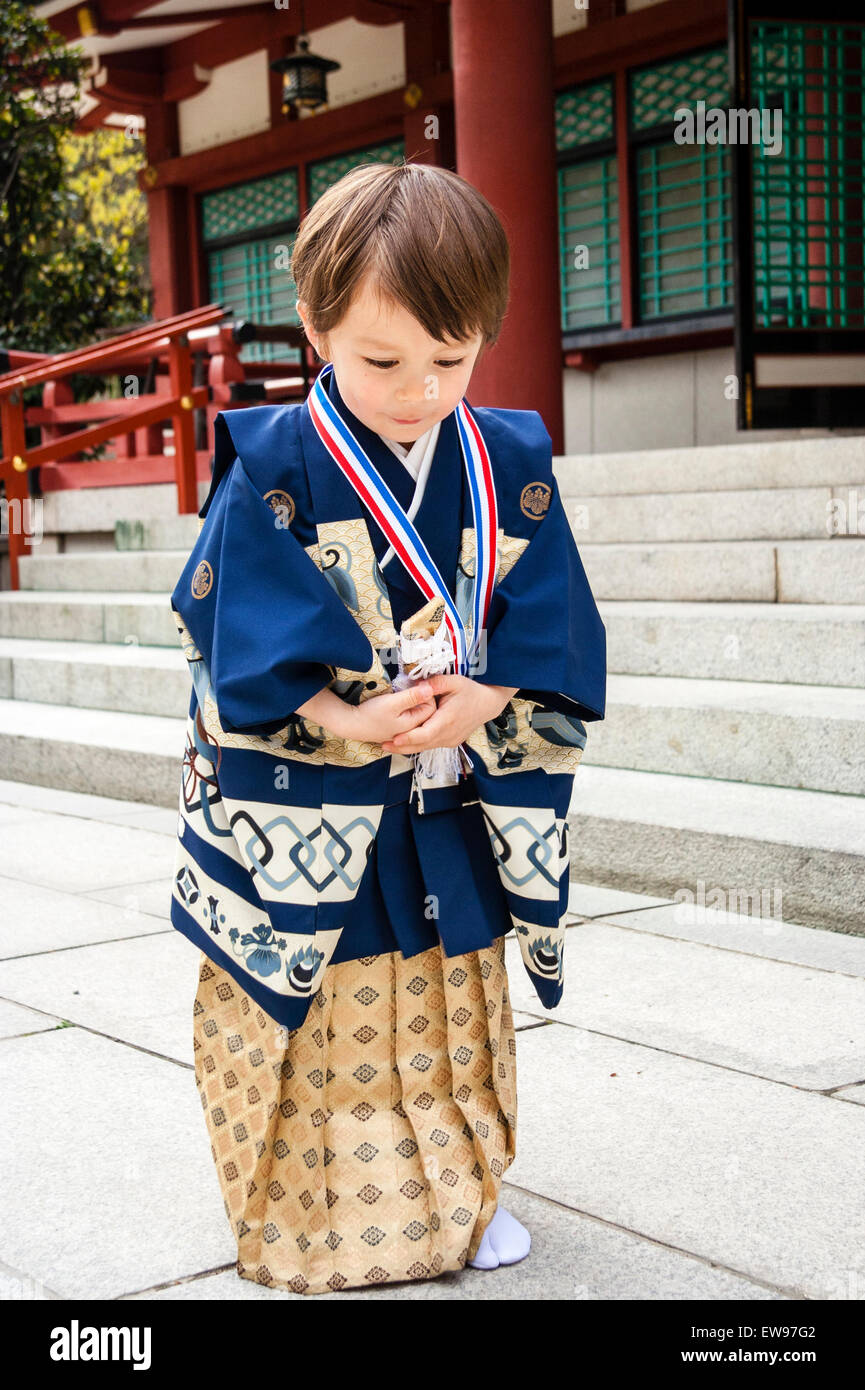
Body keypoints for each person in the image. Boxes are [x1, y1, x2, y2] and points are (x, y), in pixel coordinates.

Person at [168, 161, 606, 1295]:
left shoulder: (508, 459)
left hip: (452, 788)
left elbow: (551, 612)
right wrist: (339, 712)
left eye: (449, 360)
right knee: (333, 1014)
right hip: (328, 797)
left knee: (456, 999)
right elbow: (232, 631)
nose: (419, 391)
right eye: (380, 361)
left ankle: (462, 1200)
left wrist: (491, 695)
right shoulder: (271, 464)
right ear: (315, 325)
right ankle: (320, 1226)